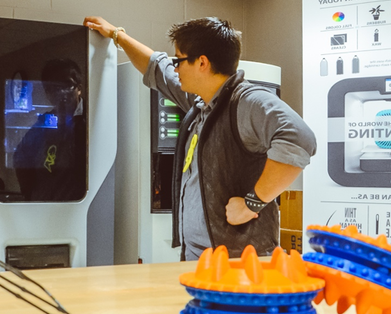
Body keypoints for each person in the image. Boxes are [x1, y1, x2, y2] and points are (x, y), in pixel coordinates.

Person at [83, 16, 317, 259]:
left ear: (202, 63)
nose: (175, 68)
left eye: (179, 60)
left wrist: (252, 203)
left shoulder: (247, 101)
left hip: (239, 260)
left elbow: (300, 138)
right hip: (200, 254)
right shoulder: (203, 102)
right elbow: (157, 68)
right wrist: (116, 35)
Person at [12, 58, 87, 201]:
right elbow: (20, 157)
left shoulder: (90, 120)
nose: (61, 93)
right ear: (47, 93)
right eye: (54, 88)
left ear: (79, 88)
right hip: (45, 203)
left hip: (78, 205)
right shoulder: (44, 122)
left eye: (67, 85)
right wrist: (33, 194)